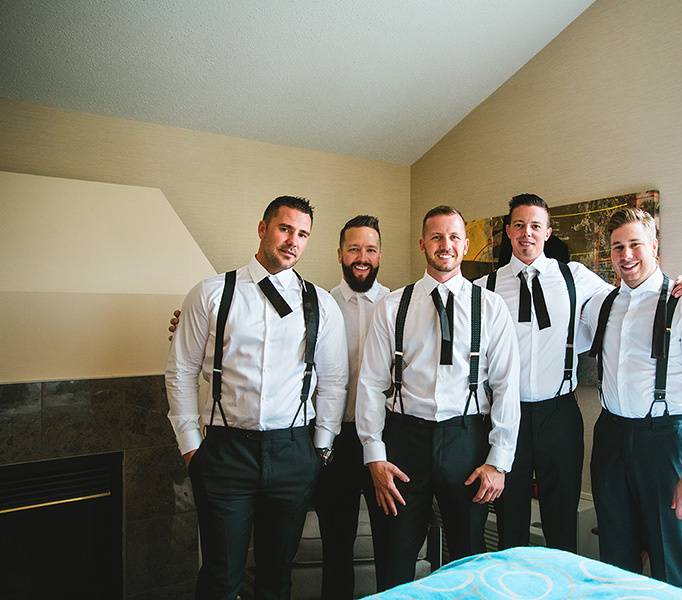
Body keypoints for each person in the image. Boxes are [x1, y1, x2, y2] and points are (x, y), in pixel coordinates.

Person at [473, 193, 682, 552]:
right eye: (519, 225)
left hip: (559, 413)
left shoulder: (576, 278)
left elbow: (631, 300)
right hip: (506, 415)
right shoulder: (483, 290)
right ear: (507, 231)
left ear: (547, 232)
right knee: (510, 521)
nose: (527, 233)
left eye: (535, 226)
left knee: (561, 520)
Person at [166, 196, 349, 600]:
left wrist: (320, 449)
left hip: (293, 452)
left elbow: (334, 380)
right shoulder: (211, 293)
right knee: (220, 575)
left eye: (303, 234)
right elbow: (180, 370)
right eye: (285, 229)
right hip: (225, 453)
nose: (293, 241)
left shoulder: (321, 303)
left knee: (276, 576)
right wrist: (190, 446)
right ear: (263, 228)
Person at [356, 205, 520, 591]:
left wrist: (499, 461)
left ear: (464, 245)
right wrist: (374, 455)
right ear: (422, 245)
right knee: (394, 560)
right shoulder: (393, 306)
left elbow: (507, 387)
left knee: (469, 560)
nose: (445, 245)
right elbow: (370, 384)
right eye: (436, 237)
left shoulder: (491, 307)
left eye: (452, 237)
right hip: (403, 442)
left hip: (466, 440)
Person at [578, 206, 682, 591]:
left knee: (668, 560)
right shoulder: (600, 305)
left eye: (635, 245)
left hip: (665, 443)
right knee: (614, 557)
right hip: (610, 437)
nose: (626, 255)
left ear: (654, 246)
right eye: (617, 247)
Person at [317, 215, 390, 599]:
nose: (363, 257)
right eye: (354, 248)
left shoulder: (399, 306)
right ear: (340, 254)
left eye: (371, 249)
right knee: (337, 544)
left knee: (390, 542)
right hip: (335, 441)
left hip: (385, 442)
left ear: (380, 255)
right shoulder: (318, 306)